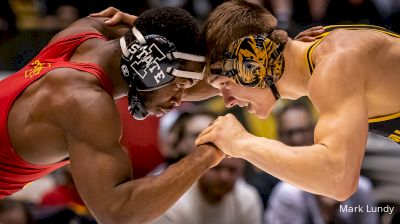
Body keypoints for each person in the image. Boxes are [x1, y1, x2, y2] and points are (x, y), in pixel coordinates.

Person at [0, 6, 225, 223]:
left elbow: (165, 47)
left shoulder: (85, 30)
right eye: (179, 86)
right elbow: (117, 213)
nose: (178, 100)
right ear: (151, 68)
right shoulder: (86, 103)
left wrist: (246, 80)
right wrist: (209, 153)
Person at [192, 0, 400, 201]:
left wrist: (241, 142)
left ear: (252, 62)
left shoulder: (335, 65)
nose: (228, 101)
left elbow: (338, 179)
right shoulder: (319, 55)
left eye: (225, 85)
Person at [264, 101, 378, 224]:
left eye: (303, 130)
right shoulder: (287, 192)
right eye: (289, 133)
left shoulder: (362, 189)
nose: (297, 138)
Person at [151, 109, 263, 224]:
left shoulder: (247, 197)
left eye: (232, 170)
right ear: (180, 144)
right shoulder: (168, 195)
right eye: (196, 135)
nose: (224, 177)